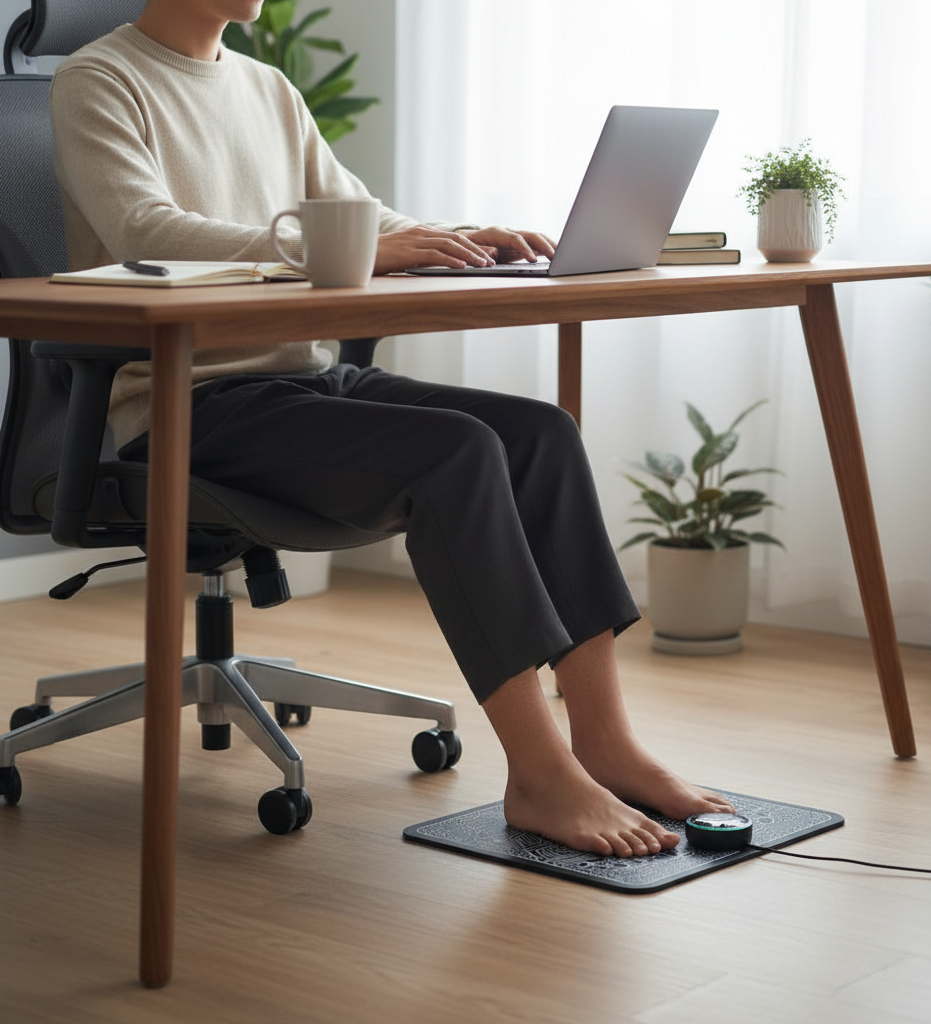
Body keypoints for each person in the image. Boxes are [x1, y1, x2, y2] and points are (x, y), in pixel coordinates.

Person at [49, 0, 735, 858]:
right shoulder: (97, 81)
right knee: (458, 454)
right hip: (194, 403)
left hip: (302, 380)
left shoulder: (267, 87)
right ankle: (538, 773)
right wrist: (351, 249)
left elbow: (353, 212)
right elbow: (146, 231)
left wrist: (451, 235)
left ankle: (606, 741)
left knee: (541, 435)